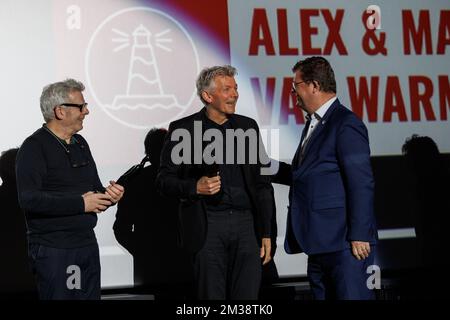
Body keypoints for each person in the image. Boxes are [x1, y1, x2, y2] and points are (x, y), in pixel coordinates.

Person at [157, 65, 274, 300]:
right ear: (207, 96)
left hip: (246, 226)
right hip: (208, 225)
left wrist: (267, 232)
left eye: (236, 88)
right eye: (227, 89)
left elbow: (262, 184)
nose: (235, 94)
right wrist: (194, 187)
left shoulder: (247, 126)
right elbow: (163, 181)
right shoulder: (184, 130)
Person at [15, 79, 124, 300]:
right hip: (57, 250)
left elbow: (94, 189)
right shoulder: (34, 147)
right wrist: (81, 203)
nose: (87, 111)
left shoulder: (80, 143)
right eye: (81, 106)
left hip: (86, 245)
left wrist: (109, 196)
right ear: (60, 111)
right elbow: (29, 199)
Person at [281, 57, 378, 300]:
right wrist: (262, 166)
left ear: (314, 85)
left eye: (296, 86)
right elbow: (304, 176)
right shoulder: (314, 124)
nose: (293, 93)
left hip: (346, 246)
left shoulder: (345, 124)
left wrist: (359, 234)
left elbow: (361, 182)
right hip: (319, 245)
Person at [113, 128, 193, 299]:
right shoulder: (185, 180)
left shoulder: (134, 180)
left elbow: (120, 229)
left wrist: (141, 251)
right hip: (181, 263)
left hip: (150, 266)